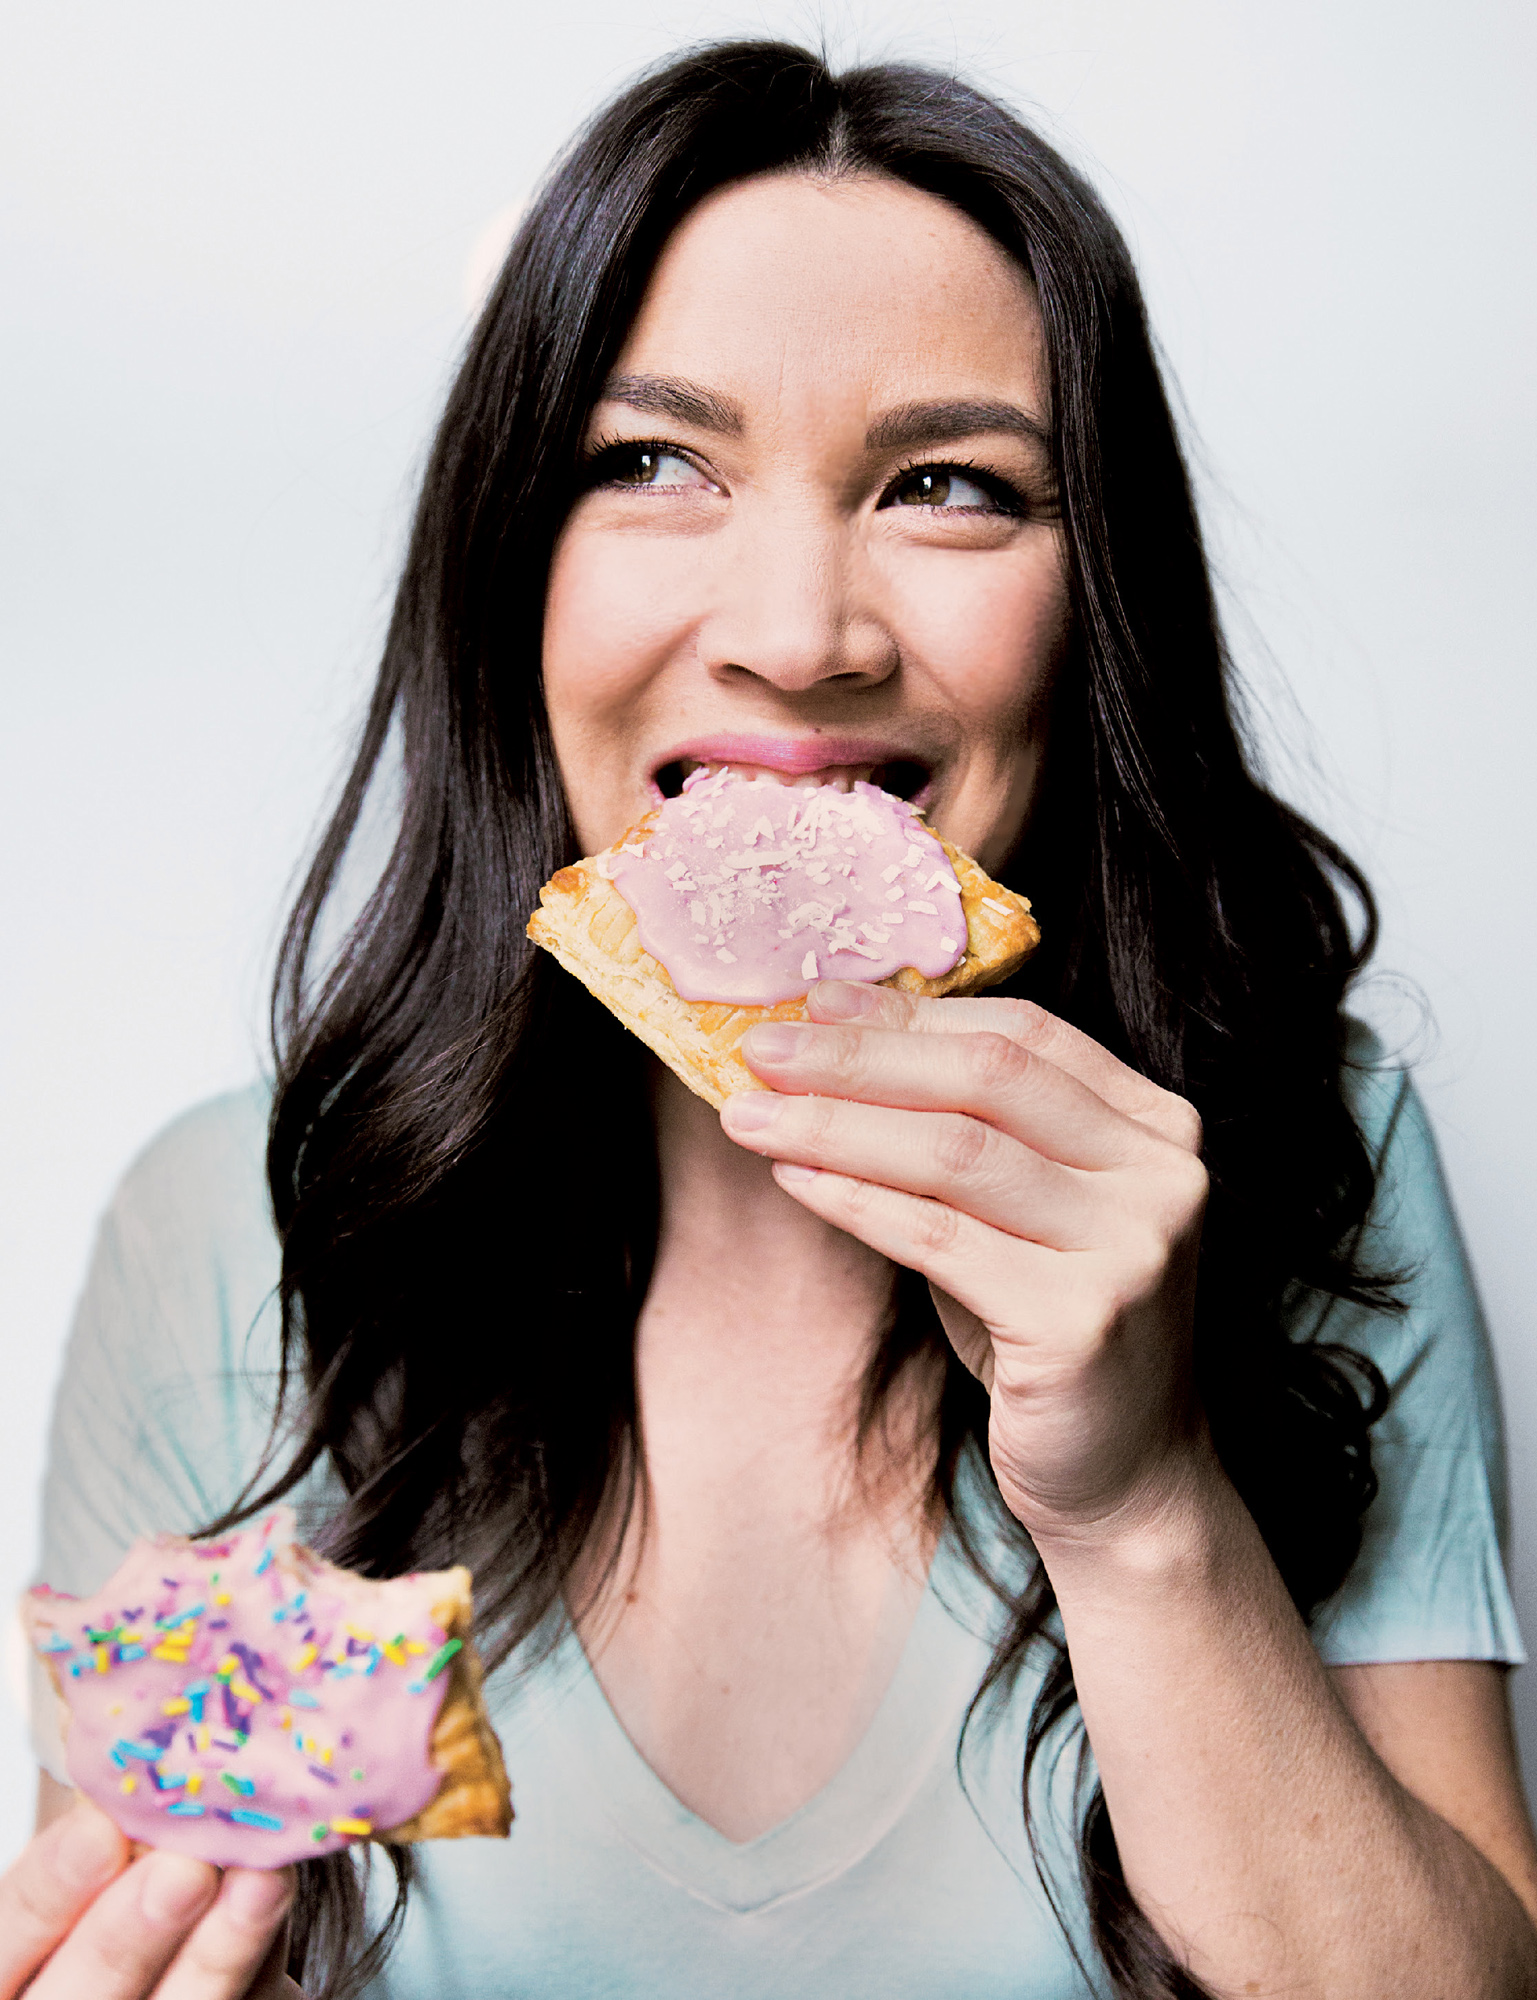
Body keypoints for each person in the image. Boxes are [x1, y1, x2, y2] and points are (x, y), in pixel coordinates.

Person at [7, 40, 1535, 2000]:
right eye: (650, 464)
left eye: (948, 486)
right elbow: (100, 1899)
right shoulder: (236, 1224)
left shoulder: (1287, 1148)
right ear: (507, 569)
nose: (799, 631)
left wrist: (1144, 1500)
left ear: (1098, 610)